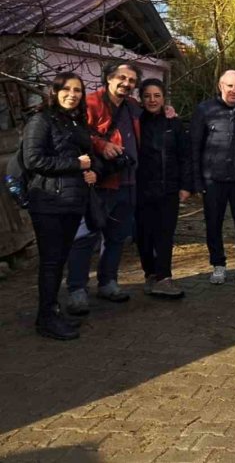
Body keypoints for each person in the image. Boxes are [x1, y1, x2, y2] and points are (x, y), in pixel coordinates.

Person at [22, 72, 99, 339]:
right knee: (51, 262)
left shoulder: (75, 122)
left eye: (77, 90)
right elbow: (33, 160)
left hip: (72, 202)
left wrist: (91, 171)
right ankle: (45, 319)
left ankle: (52, 311)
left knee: (59, 261)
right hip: (48, 203)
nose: (72, 94)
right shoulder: (40, 120)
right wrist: (77, 165)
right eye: (66, 89)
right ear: (54, 92)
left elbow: (87, 158)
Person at [66, 60, 143, 315]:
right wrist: (101, 145)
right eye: (121, 78)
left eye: (132, 80)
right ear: (108, 78)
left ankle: (108, 282)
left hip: (128, 181)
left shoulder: (133, 107)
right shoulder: (90, 103)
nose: (126, 83)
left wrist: (168, 110)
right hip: (99, 183)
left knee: (117, 237)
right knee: (85, 236)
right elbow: (74, 134)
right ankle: (77, 290)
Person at [191, 70, 235, 285]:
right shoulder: (204, 110)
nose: (234, 90)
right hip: (213, 179)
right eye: (229, 86)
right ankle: (218, 265)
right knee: (213, 223)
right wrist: (196, 180)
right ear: (221, 86)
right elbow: (195, 147)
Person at [135, 79, 192, 299]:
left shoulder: (173, 123)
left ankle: (164, 277)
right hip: (141, 187)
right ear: (141, 98)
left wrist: (186, 185)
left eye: (156, 95)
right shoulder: (135, 120)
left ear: (163, 98)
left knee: (165, 234)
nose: (152, 100)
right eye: (147, 96)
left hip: (168, 187)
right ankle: (150, 273)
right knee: (143, 234)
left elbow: (184, 156)